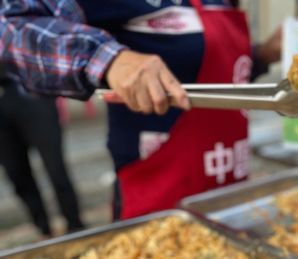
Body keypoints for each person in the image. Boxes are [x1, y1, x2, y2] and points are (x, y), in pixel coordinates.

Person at [0, 1, 281, 220]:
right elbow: (10, 28)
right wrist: (109, 59)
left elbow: (209, 71)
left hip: (230, 186)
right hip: (159, 187)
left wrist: (263, 54)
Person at [0, 64, 84, 237]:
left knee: (55, 167)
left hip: (31, 87)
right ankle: (44, 229)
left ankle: (75, 226)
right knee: (16, 172)